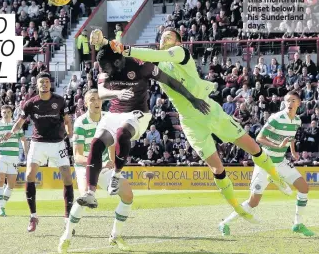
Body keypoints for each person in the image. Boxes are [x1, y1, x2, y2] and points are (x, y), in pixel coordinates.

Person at [104, 27, 293, 222]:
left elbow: (151, 53)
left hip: (208, 110)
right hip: (189, 121)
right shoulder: (157, 63)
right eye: (162, 37)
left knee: (253, 148)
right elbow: (132, 64)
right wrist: (111, 47)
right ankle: (238, 208)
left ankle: (276, 177)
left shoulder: (180, 53)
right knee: (217, 169)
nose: (164, 38)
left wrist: (126, 48)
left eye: (169, 36)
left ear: (178, 42)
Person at [77, 29, 210, 209]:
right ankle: (90, 193)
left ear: (119, 60)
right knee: (96, 143)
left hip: (138, 112)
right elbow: (101, 92)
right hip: (115, 112)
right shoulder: (105, 67)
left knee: (123, 133)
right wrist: (116, 92)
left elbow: (171, 81)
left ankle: (115, 176)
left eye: (110, 68)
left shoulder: (142, 66)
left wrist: (193, 98)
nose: (108, 72)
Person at [220, 92, 314, 237]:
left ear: (299, 103)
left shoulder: (296, 121)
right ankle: (225, 222)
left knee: (304, 187)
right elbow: (259, 138)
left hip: (280, 161)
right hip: (265, 162)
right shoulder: (276, 118)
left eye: (293, 100)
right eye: (287, 100)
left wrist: (293, 151)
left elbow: (291, 138)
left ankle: (298, 224)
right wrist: (277, 146)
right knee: (254, 202)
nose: (289, 103)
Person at [59, 89, 133, 253]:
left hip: (104, 167)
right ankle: (67, 235)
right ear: (85, 103)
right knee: (85, 196)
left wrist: (111, 159)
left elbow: (112, 142)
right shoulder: (80, 123)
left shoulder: (108, 118)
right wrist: (97, 162)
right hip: (85, 167)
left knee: (127, 194)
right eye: (92, 99)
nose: (96, 102)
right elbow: (77, 156)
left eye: (99, 99)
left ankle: (115, 236)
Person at [3, 72, 73, 232]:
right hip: (38, 144)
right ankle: (33, 216)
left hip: (58, 143)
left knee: (68, 178)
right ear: (37, 85)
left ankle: (68, 218)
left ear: (50, 84)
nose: (44, 84)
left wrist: (71, 133)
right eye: (42, 82)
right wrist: (11, 133)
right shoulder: (30, 103)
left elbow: (67, 120)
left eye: (47, 82)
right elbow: (20, 121)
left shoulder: (60, 101)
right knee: (29, 176)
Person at [0, 105, 28, 217]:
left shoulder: (16, 125)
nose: (6, 114)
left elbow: (23, 140)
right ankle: (1, 207)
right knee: (0, 180)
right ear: (1, 113)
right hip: (1, 156)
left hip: (14, 157)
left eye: (8, 112)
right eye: (4, 112)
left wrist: (26, 153)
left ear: (11, 113)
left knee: (11, 185)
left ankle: (1, 205)